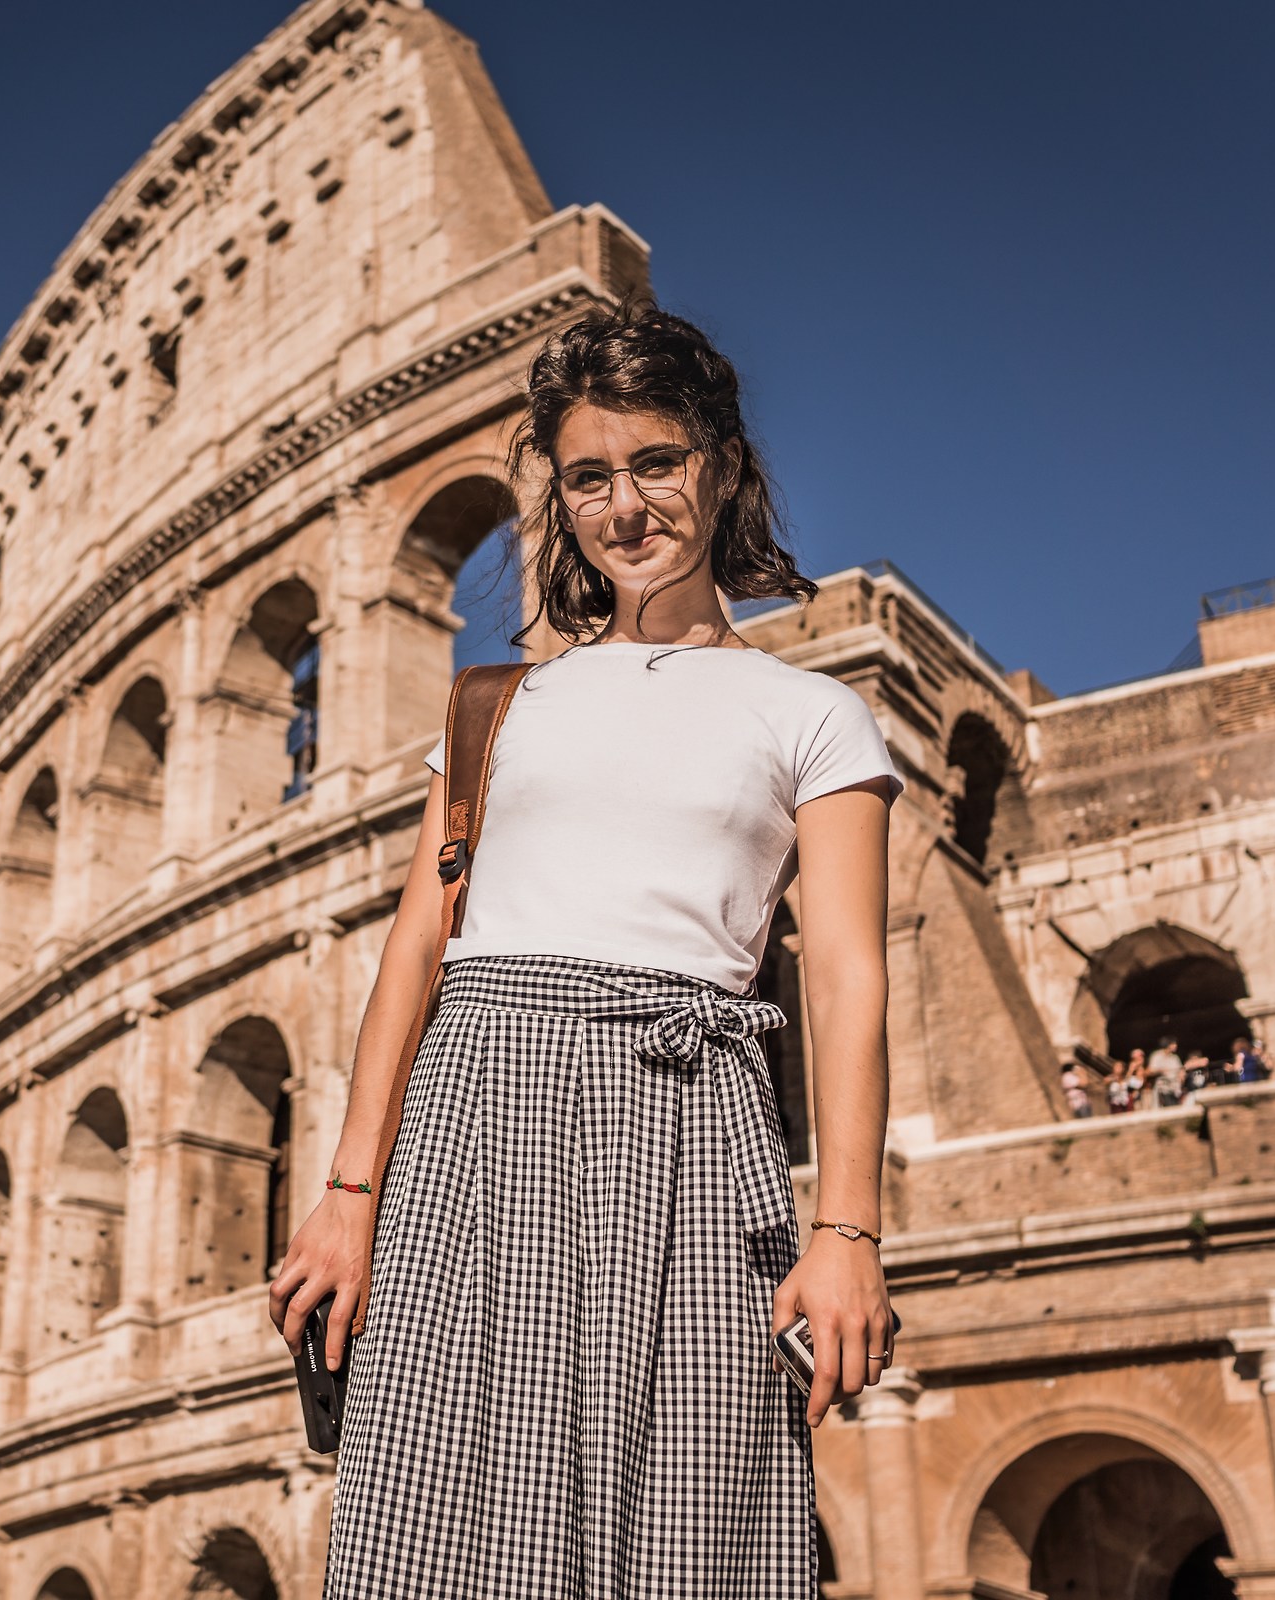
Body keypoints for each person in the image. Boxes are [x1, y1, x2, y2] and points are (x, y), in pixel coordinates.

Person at [271, 303, 901, 1599]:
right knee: (438, 1515)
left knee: (694, 1512)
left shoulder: (813, 714)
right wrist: (348, 1195)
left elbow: (843, 974)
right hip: (479, 1103)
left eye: (657, 462)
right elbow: (418, 945)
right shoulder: (502, 705)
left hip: (694, 1109)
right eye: (590, 477)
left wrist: (846, 1229)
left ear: (722, 465)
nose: (627, 505)